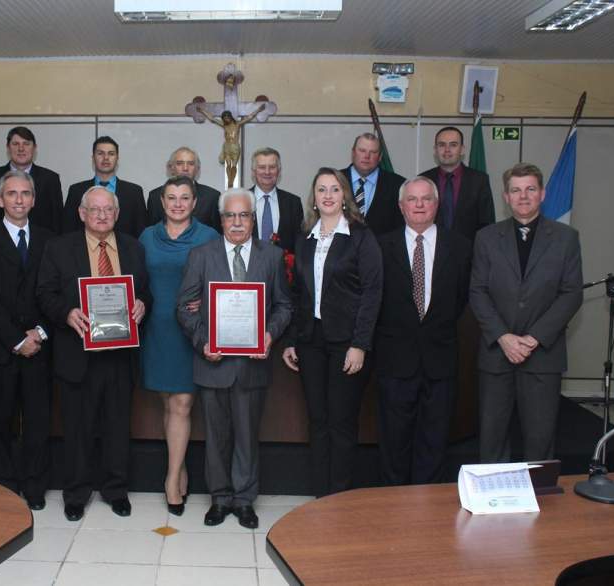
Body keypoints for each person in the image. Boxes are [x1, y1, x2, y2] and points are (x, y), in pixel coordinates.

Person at [177, 188, 292, 529]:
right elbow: (184, 307)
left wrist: (270, 335)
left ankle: (244, 500)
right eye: (230, 215)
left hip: (252, 365)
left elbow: (285, 305)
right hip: (212, 363)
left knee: (246, 435)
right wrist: (203, 343)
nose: (237, 222)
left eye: (244, 215)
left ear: (253, 220)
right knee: (216, 436)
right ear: (221, 219)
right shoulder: (201, 255)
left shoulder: (271, 256)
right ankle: (219, 498)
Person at [37, 186, 152, 522]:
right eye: (95, 209)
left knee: (118, 427)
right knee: (77, 429)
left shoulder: (133, 247)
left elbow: (144, 290)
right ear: (81, 213)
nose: (102, 215)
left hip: (120, 353)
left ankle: (116, 490)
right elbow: (45, 293)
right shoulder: (59, 248)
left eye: (108, 210)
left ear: (117, 214)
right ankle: (76, 493)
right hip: (77, 353)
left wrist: (143, 304)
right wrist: (67, 313)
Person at [470, 163, 583, 463]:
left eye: (530, 189)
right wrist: (504, 337)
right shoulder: (486, 237)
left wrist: (534, 338)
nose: (523, 196)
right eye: (516, 190)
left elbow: (572, 294)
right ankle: (491, 503)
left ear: (542, 194)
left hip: (543, 355)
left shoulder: (566, 237)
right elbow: (477, 292)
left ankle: (542, 503)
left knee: (540, 439)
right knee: (492, 438)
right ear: (506, 197)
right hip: (497, 354)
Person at [282, 167, 382, 496]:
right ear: (314, 198)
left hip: (346, 343)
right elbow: (298, 295)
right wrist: (293, 340)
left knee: (341, 422)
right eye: (322, 189)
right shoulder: (305, 238)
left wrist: (360, 345)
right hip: (311, 341)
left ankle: (339, 496)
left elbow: (372, 293)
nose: (328, 195)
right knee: (318, 421)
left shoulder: (360, 236)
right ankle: (319, 495)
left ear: (345, 197)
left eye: (335, 189)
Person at [374, 176, 472, 485]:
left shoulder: (460, 246)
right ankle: (394, 501)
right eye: (412, 199)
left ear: (436, 204)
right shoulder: (380, 246)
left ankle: (427, 505)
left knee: (434, 439)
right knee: (394, 440)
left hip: (440, 359)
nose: (419, 205)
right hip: (394, 359)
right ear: (401, 206)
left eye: (426, 199)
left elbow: (461, 299)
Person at [0, 170, 54, 510]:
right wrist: (16, 340)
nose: (19, 199)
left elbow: (55, 292)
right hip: (1, 349)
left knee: (37, 422)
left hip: (41, 347)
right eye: (12, 194)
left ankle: (34, 485)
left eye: (25, 193)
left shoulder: (51, 239)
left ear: (34, 200)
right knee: (0, 422)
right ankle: (3, 486)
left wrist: (40, 333)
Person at [139, 176, 218, 515]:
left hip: (190, 331)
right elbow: (137, 281)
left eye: (184, 198)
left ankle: (171, 479)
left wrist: (207, 304)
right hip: (156, 329)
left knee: (183, 403)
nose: (177, 204)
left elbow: (221, 281)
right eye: (171, 197)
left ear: (195, 202)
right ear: (162, 201)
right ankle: (181, 465)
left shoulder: (209, 236)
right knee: (167, 403)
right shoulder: (145, 236)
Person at [0, 126, 63, 234]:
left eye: (26, 144)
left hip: (41, 246)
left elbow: (58, 223)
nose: (21, 149)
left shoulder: (50, 179)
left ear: (34, 148)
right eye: (15, 144)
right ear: (8, 147)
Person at [420, 126, 495, 241]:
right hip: (431, 251)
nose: (447, 150)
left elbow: (487, 223)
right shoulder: (423, 180)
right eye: (442, 145)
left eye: (453, 145)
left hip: (469, 253)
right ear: (435, 150)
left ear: (462, 149)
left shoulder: (479, 180)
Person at [63, 136, 147, 238]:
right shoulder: (76, 191)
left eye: (111, 154)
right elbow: (67, 231)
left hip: (124, 252)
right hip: (83, 252)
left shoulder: (134, 192)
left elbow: (141, 233)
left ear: (117, 158)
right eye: (100, 153)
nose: (106, 158)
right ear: (93, 158)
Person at [342, 133, 406, 236]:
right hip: (341, 250)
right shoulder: (335, 181)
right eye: (362, 151)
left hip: (383, 250)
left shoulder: (398, 185)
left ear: (380, 157)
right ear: (353, 153)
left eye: (373, 152)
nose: (367, 156)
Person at [147, 147, 222, 233]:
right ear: (171, 168)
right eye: (179, 163)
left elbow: (217, 237)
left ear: (197, 169)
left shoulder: (212, 197)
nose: (185, 168)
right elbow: (152, 232)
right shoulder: (155, 196)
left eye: (191, 163)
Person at [249, 147, 304, 252]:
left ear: (278, 171)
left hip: (283, 267)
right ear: (254, 171)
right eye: (262, 167)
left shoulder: (293, 203)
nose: (267, 172)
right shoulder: (242, 200)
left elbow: (299, 243)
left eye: (272, 167)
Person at [197, 105, 265, 188]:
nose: (226, 120)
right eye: (224, 119)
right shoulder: (224, 125)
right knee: (228, 164)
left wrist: (258, 109)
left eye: (227, 118)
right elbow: (212, 119)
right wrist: (202, 111)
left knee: (234, 165)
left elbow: (249, 117)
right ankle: (230, 181)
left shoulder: (237, 124)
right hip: (227, 146)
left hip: (235, 147)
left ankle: (231, 180)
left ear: (230, 117)